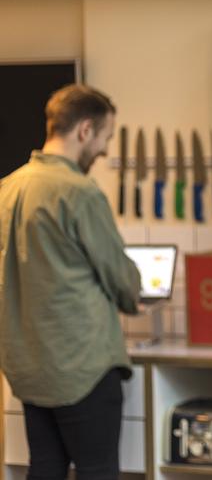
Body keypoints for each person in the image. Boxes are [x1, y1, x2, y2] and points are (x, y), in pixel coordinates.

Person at [0, 84, 141, 480]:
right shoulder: (78, 192)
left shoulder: (7, 188)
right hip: (81, 366)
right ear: (84, 130)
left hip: (28, 365)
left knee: (44, 468)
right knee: (98, 471)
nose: (104, 150)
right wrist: (134, 296)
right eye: (105, 137)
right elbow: (119, 274)